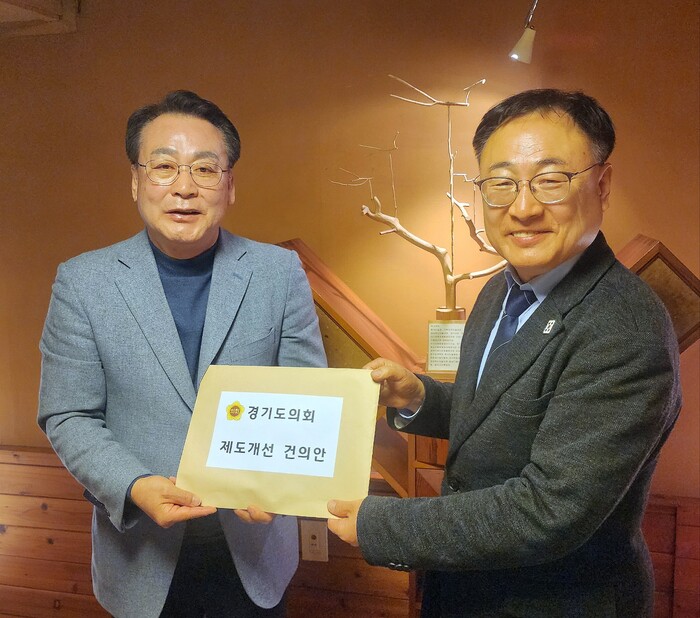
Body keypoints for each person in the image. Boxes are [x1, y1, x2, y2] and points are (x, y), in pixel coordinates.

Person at [327, 89, 681, 617]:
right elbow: (501, 411)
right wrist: (418, 397)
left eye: (551, 179)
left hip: (555, 602)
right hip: (468, 590)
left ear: (602, 185)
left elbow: (549, 509)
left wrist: (380, 524)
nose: (524, 208)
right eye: (501, 183)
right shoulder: (502, 288)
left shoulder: (623, 328)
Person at [38, 90, 326, 618]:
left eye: (205, 169)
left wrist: (280, 487)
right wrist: (132, 485)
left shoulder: (278, 273)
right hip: (139, 554)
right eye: (164, 166)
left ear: (229, 185)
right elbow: (69, 413)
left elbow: (308, 397)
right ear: (136, 181)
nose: (184, 187)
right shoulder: (83, 282)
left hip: (255, 551)